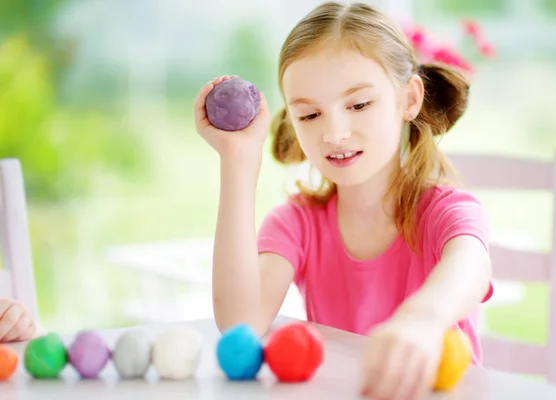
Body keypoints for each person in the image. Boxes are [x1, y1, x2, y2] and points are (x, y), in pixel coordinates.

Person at [194, 2, 493, 399]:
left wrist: (422, 320)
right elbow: (239, 323)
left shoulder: (446, 211)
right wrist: (238, 160)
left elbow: (470, 268)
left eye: (358, 105)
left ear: (409, 99)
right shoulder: (297, 224)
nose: (334, 134)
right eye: (310, 115)